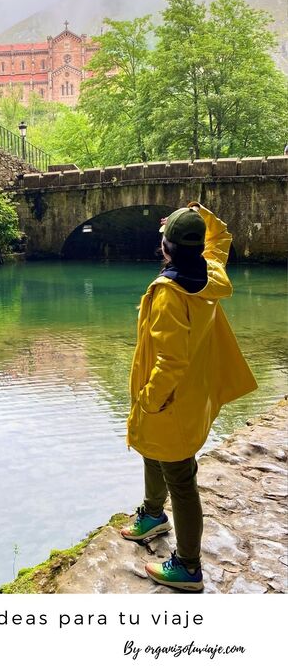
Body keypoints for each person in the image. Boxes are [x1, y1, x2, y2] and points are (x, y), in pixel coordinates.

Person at [122, 203, 257, 592]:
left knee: (181, 479)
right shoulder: (209, 271)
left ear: (165, 247)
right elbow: (221, 240)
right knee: (152, 450)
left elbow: (171, 360)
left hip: (168, 401)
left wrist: (149, 399)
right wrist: (200, 215)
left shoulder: (168, 293)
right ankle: (152, 514)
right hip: (190, 397)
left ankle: (188, 566)